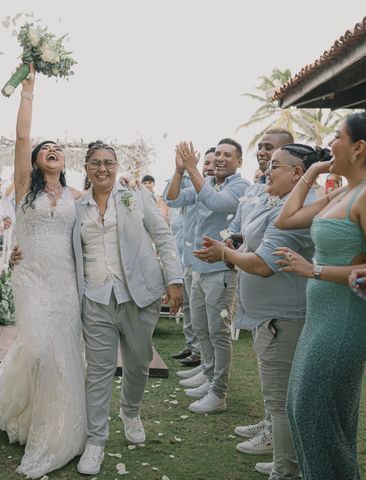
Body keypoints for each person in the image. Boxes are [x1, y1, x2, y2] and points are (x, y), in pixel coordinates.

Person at [0, 64, 86, 479]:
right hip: (31, 279)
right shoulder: (25, 186)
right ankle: (32, 419)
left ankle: (54, 426)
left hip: (65, 283)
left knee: (60, 353)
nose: (52, 150)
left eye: (58, 148)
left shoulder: (78, 196)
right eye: (46, 148)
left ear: (65, 159)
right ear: (37, 159)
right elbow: (23, 137)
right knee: (40, 348)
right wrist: (28, 91)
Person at [194, 143, 325, 479]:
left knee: (280, 401)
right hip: (271, 314)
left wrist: (225, 253)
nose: (268, 170)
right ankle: (286, 459)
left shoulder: (297, 211)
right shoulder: (285, 201)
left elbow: (265, 264)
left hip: (283, 314)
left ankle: (285, 471)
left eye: (276, 165)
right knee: (279, 398)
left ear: (298, 173)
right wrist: (237, 243)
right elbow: (255, 241)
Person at [274, 112, 366, 479]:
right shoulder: (346, 190)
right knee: (301, 411)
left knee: (312, 413)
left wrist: (314, 270)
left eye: (337, 136)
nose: (329, 143)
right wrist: (313, 172)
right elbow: (286, 219)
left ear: (358, 147)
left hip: (348, 322)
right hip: (323, 320)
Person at [74, 141, 184, 476]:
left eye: (108, 162)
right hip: (95, 297)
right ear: (87, 168)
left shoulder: (136, 196)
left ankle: (130, 411)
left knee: (138, 363)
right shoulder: (76, 208)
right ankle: (95, 441)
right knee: (99, 371)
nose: (102, 168)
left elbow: (163, 236)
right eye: (95, 163)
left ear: (117, 166)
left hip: (139, 294)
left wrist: (174, 280)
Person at [166, 139, 250, 414]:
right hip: (198, 268)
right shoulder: (208, 182)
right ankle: (208, 374)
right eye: (218, 155)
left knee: (218, 332)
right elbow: (173, 198)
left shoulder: (240, 186)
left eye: (228, 155)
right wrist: (180, 171)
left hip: (221, 271)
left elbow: (215, 204)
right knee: (202, 328)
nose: (220, 160)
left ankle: (219, 391)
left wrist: (192, 169)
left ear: (239, 161)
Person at [227, 129, 294, 452]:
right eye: (262, 148)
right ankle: (268, 421)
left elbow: (267, 256)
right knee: (268, 372)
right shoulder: (265, 190)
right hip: (260, 304)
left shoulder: (291, 201)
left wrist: (227, 252)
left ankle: (276, 436)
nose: (263, 154)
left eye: (270, 150)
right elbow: (249, 231)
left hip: (280, 304)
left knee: (279, 379)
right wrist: (235, 240)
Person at [167, 148, 215, 370]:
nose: (209, 166)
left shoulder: (213, 191)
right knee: (188, 306)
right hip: (184, 256)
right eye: (206, 162)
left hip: (205, 260)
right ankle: (192, 345)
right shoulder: (191, 188)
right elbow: (171, 199)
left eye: (213, 163)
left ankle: (201, 355)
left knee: (202, 313)